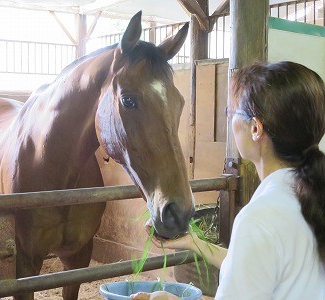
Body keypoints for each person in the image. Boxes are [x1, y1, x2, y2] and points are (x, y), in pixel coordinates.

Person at [131, 61, 325, 300]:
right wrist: (195, 243)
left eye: (233, 113)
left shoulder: (260, 217)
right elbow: (257, 263)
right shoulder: (307, 198)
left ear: (255, 128)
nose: (230, 120)